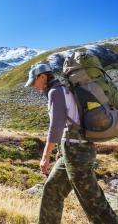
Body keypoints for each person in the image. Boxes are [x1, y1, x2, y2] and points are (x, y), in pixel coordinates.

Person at [25, 64, 118, 224]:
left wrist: (45, 156)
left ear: (42, 77)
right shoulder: (62, 89)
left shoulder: (56, 92)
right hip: (72, 151)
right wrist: (61, 151)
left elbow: (56, 127)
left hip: (77, 153)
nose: (33, 85)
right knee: (52, 190)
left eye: (34, 81)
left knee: (92, 202)